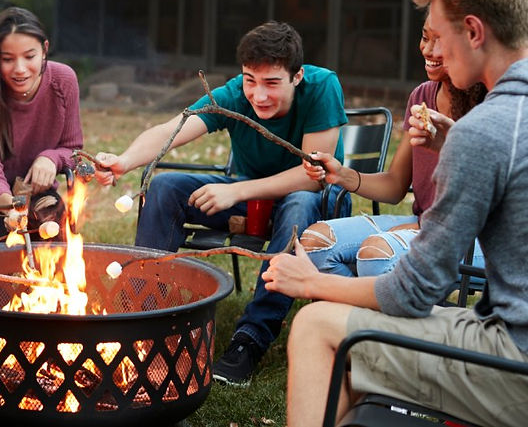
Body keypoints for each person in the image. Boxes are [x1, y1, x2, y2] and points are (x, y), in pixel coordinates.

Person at [263, 0, 528, 427]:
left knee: (315, 326)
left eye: (437, 35)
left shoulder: (488, 128)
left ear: (472, 31)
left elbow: (413, 292)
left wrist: (311, 282)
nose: (433, 51)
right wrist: (456, 147)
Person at [94, 21, 349, 385]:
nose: (258, 95)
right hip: (250, 200)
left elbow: (313, 175)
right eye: (250, 80)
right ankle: (144, 314)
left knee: (298, 205)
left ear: (297, 77)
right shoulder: (232, 95)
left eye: (272, 83)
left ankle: (251, 338)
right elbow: (172, 129)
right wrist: (123, 160)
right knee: (167, 187)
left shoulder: (323, 86)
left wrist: (236, 191)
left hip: (317, 203)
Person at [299, 13, 487, 278]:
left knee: (377, 254)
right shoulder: (422, 96)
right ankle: (363, 315)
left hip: (476, 239)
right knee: (316, 243)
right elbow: (395, 185)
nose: (427, 50)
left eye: (440, 41)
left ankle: (376, 314)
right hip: (423, 224)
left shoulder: (491, 104)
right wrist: (341, 174)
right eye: (425, 37)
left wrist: (422, 230)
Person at [0, 7, 83, 243]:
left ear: (44, 50)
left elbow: (74, 149)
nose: (20, 69)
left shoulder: (63, 80)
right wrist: (13, 208)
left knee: (53, 222)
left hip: (38, 191)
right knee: (3, 248)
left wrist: (51, 157)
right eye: (7, 59)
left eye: (29, 57)